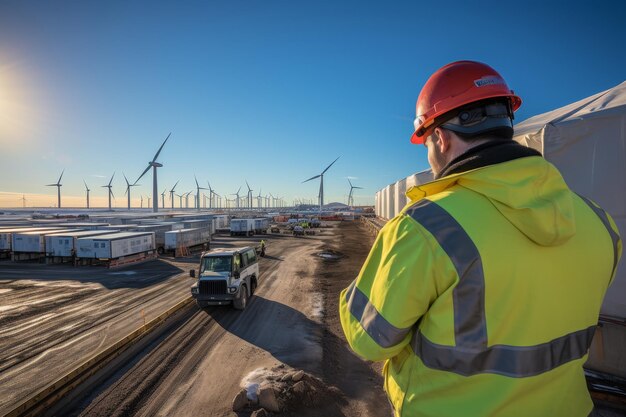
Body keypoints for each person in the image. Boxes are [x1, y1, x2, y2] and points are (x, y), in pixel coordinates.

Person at [339, 61, 622, 417]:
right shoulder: (598, 220)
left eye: (426, 143)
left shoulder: (428, 226)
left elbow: (368, 339)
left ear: (439, 138)